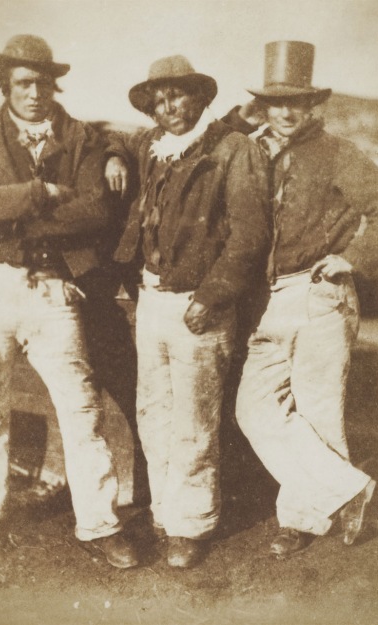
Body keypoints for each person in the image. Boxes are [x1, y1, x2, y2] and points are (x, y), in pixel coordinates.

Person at [223, 40, 378, 556]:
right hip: (269, 298)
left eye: (296, 102)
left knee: (318, 411)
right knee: (254, 408)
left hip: (319, 294)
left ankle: (300, 521)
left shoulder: (337, 154)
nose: (285, 111)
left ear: (312, 106)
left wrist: (352, 258)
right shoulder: (255, 148)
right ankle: (347, 491)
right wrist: (239, 119)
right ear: (261, 106)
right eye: (274, 101)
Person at [0, 34, 138, 569]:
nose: (35, 93)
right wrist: (41, 193)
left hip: (55, 288)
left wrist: (14, 211)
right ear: (5, 86)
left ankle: (101, 524)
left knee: (81, 410)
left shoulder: (79, 138)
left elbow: (96, 212)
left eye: (43, 83)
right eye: (23, 84)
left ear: (54, 85)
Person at [104, 55, 269, 567]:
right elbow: (108, 137)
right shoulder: (151, 147)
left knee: (195, 419)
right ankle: (165, 513)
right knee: (153, 412)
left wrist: (212, 297)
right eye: (159, 98)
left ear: (199, 98)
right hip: (152, 299)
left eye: (178, 95)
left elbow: (250, 234)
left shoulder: (234, 149)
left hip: (200, 305)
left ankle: (192, 525)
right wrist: (112, 154)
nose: (168, 106)